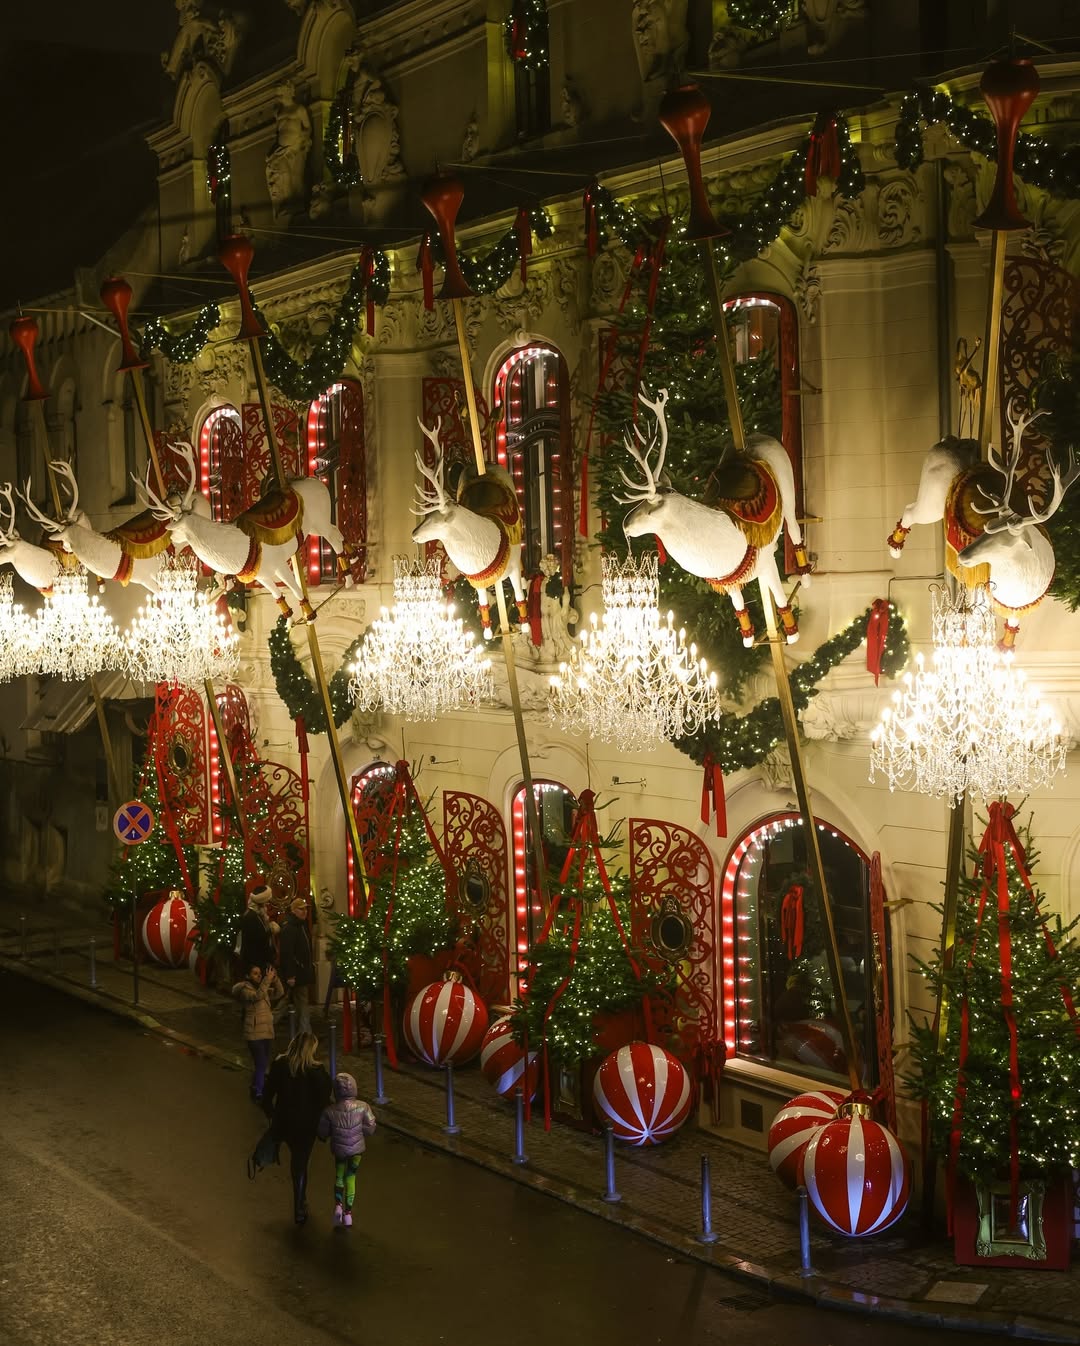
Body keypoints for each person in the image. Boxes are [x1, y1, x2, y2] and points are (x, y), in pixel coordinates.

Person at [262, 1031, 332, 1224]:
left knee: (298, 1162)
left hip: (284, 1122)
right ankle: (299, 1205)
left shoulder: (280, 1065)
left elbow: (266, 1097)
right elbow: (324, 1099)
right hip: (305, 1127)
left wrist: (273, 1116)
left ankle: (301, 1201)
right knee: (300, 1163)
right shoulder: (317, 1072)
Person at [317, 1072, 376, 1228]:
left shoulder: (329, 1111)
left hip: (339, 1150)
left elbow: (323, 1132)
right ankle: (348, 1214)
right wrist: (359, 1132)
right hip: (357, 1150)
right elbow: (371, 1127)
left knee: (339, 1175)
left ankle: (338, 1205)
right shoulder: (364, 1107)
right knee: (351, 1176)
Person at [232, 964, 282, 1102]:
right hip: (253, 1033)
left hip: (266, 1031)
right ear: (248, 976)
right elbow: (257, 996)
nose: (259, 975)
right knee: (261, 1063)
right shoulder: (244, 990)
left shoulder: (263, 988)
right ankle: (259, 1092)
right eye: (255, 973)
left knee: (263, 1063)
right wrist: (267, 980)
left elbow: (279, 993)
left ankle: (255, 1087)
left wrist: (275, 979)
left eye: (260, 973)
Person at [279, 895, 315, 1034]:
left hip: (301, 971)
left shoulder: (301, 925)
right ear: (293, 911)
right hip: (297, 973)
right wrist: (290, 975)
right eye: (301, 909)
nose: (304, 912)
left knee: (294, 1002)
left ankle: (305, 1032)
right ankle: (305, 1033)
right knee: (294, 1002)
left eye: (305, 909)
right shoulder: (290, 928)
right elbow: (287, 953)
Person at [238, 884, 277, 973]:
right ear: (261, 901)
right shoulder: (251, 917)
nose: (268, 903)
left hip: (261, 961)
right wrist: (270, 931)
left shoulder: (259, 914)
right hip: (256, 965)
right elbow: (255, 941)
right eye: (267, 900)